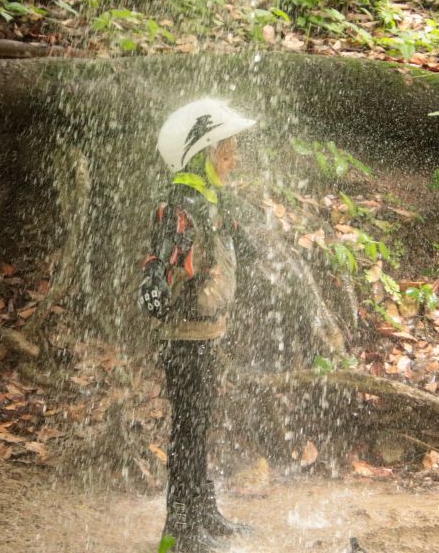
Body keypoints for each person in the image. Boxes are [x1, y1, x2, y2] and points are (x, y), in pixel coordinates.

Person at [139, 98, 258, 552]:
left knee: (199, 419)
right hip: (183, 334)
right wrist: (152, 283)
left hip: (207, 329)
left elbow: (231, 250)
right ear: (206, 154)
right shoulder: (179, 203)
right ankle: (179, 528)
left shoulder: (210, 202)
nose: (234, 159)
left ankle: (202, 509)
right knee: (188, 426)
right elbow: (160, 258)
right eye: (228, 150)